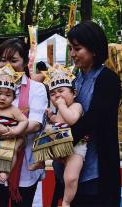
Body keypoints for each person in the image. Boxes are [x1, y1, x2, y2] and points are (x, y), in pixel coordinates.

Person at [53, 21, 121, 206]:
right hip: (68, 162)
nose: (73, 54)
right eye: (70, 49)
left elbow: (94, 119)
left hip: (96, 168)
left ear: (94, 49)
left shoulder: (108, 79)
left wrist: (59, 143)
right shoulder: (73, 78)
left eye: (77, 48)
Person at [0, 38, 48, 206]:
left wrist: (9, 131)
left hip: (24, 163)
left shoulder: (36, 89)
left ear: (25, 62)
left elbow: (36, 123)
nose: (7, 65)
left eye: (13, 60)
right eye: (3, 59)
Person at [30, 65, 85, 207]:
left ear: (74, 93)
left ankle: (66, 202)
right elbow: (58, 121)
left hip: (75, 148)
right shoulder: (61, 108)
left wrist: (60, 106)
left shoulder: (76, 106)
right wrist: (51, 117)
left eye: (61, 91)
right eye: (53, 94)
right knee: (41, 135)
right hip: (60, 144)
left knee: (71, 177)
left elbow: (71, 119)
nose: (57, 96)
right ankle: (41, 161)